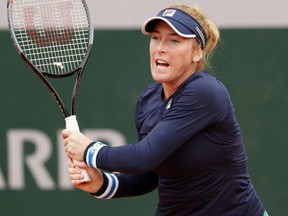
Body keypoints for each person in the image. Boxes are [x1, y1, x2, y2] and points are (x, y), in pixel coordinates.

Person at [62, 4, 269, 216]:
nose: (160, 47)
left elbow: (143, 157)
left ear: (197, 52)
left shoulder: (205, 91)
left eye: (174, 40)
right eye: (155, 37)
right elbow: (150, 175)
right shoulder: (149, 100)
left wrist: (89, 150)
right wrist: (102, 183)